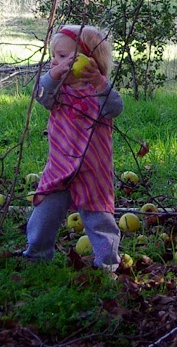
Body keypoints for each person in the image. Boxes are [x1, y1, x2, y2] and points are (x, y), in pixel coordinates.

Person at [22, 24, 125, 270]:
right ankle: (36, 255)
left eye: (65, 56)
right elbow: (40, 94)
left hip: (93, 171)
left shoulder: (98, 93)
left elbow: (115, 107)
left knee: (99, 220)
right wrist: (55, 74)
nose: (57, 62)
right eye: (55, 56)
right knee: (44, 214)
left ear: (89, 61)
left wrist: (100, 82)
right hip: (60, 168)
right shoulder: (57, 92)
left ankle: (108, 264)